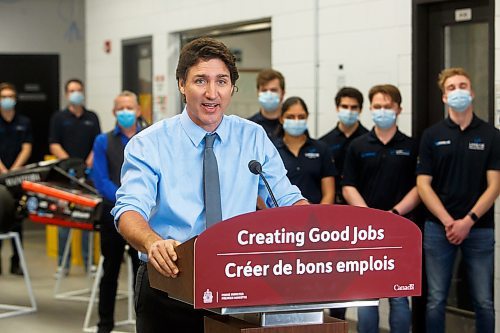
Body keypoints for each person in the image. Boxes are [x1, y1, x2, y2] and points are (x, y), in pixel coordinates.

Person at [112, 37, 307, 333]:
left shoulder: (253, 138)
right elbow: (129, 210)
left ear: (232, 88)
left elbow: (287, 199)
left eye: (222, 81)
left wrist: (317, 229)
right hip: (170, 284)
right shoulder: (149, 144)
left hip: (239, 285)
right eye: (200, 81)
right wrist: (153, 243)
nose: (212, 93)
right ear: (181, 84)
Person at [416, 67, 499, 333]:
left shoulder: (491, 135)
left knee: (484, 301)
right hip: (438, 229)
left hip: (480, 229)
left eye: (462, 86)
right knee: (435, 300)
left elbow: (495, 185)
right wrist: (448, 221)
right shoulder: (431, 135)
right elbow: (423, 185)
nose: (458, 91)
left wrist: (468, 221)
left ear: (472, 92)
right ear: (443, 97)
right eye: (451, 88)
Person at [342, 84, 420, 333]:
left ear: (399, 109)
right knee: (366, 297)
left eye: (388, 106)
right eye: (377, 106)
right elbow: (348, 186)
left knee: (399, 296)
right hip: (366, 232)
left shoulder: (411, 146)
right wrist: (370, 216)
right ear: (371, 109)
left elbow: (420, 187)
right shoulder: (358, 146)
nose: (382, 111)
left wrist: (394, 215)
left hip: (400, 230)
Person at [91, 91, 142, 333]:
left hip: (144, 218)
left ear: (138, 111)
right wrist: (127, 201)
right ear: (114, 112)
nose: (125, 112)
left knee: (142, 275)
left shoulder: (149, 137)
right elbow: (100, 180)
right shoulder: (103, 141)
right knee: (109, 272)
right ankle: (105, 325)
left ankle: (143, 323)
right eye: (120, 108)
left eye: (129, 107)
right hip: (111, 215)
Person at [49, 78, 101, 275]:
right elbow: (54, 144)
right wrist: (71, 163)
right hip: (66, 174)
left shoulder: (92, 117)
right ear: (66, 94)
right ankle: (63, 264)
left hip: (87, 175)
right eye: (72, 90)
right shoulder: (59, 118)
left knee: (87, 220)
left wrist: (87, 162)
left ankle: (89, 264)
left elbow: (97, 142)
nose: (76, 93)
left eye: (79, 90)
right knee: (65, 220)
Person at [274, 96, 336, 204]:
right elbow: (263, 190)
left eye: (301, 117)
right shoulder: (272, 150)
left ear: (307, 117)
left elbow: (329, 193)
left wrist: (318, 217)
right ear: (281, 119)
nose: (296, 121)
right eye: (291, 117)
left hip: (316, 217)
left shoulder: (321, 149)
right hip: (281, 216)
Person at [0, 82, 32, 276]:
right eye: (4, 96)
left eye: (10, 96)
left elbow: (27, 146)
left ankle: (16, 262)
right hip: (0, 175)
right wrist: (3, 169)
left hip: (17, 176)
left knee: (17, 219)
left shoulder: (24, 122)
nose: (7, 100)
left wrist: (14, 170)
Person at [320, 87, 368, 205]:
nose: (349, 111)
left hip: (363, 202)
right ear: (337, 108)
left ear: (360, 110)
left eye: (354, 107)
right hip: (335, 203)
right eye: (345, 107)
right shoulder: (324, 142)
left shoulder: (368, 140)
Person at [248, 69, 286, 139]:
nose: (269, 94)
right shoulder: (249, 126)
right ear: (258, 93)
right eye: (264, 90)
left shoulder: (291, 125)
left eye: (273, 90)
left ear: (283, 94)